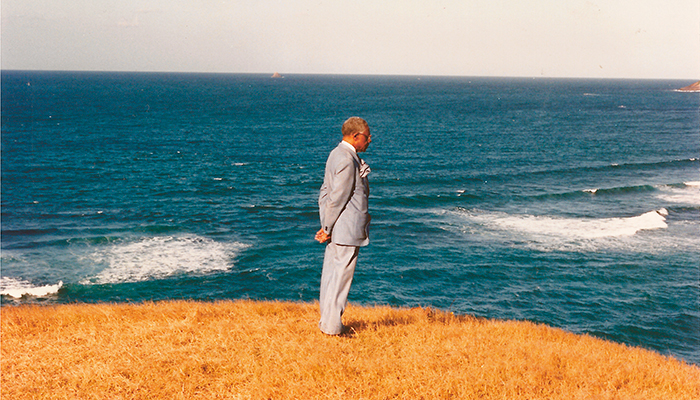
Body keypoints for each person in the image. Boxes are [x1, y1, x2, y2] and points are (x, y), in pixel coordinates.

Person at [315, 117, 372, 335]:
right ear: (356, 136)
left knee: (331, 276)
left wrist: (325, 224)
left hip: (337, 227)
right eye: (367, 137)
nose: (369, 140)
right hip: (345, 229)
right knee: (340, 279)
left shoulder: (336, 154)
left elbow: (325, 192)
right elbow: (338, 197)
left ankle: (327, 323)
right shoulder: (348, 160)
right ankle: (332, 328)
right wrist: (327, 228)